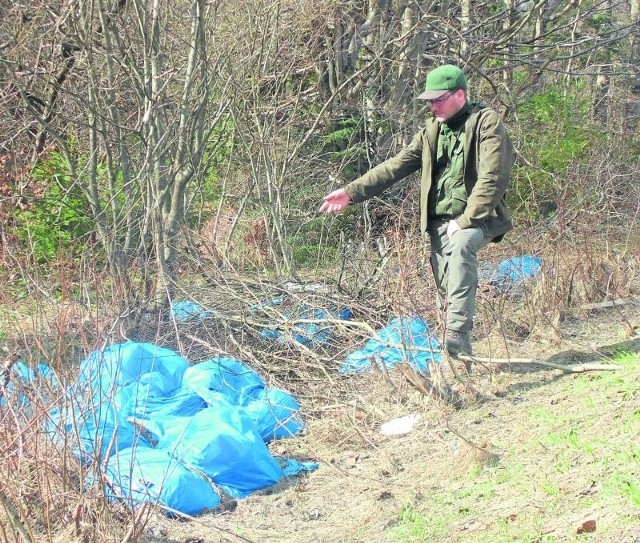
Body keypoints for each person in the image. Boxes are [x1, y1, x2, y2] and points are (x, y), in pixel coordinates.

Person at [319, 64, 513, 358]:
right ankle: (462, 366)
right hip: (438, 223)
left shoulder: (486, 122)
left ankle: (457, 334)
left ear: (459, 95)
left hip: (477, 218)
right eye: (429, 100)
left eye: (438, 99)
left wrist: (465, 220)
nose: (432, 106)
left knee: (461, 248)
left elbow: (493, 177)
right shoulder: (431, 130)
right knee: (448, 292)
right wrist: (351, 192)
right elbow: (396, 165)